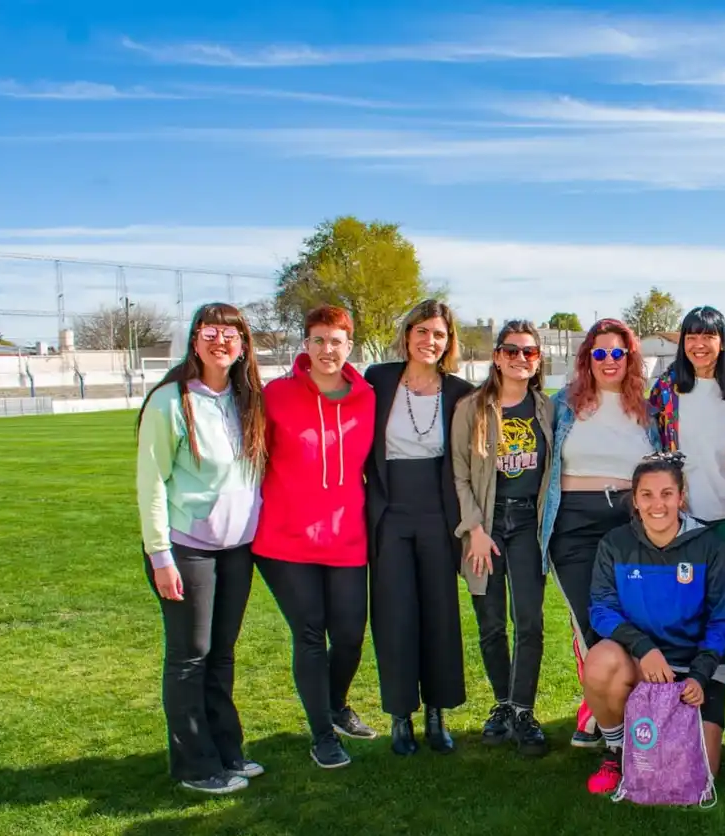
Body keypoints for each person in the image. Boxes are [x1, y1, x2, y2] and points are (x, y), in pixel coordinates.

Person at [135, 302, 267, 794]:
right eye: (210, 332)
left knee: (222, 654)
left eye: (231, 333)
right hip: (186, 548)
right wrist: (160, 555)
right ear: (194, 341)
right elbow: (151, 484)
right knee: (190, 656)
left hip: (237, 549)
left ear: (243, 345)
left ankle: (227, 750)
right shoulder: (171, 402)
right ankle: (195, 764)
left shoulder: (245, 398)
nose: (221, 341)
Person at [252, 305, 377, 770]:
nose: (328, 349)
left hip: (346, 537)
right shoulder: (276, 395)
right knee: (309, 633)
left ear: (350, 347)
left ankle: (337, 704)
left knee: (348, 634)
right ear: (306, 345)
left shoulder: (366, 397)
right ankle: (322, 735)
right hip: (284, 539)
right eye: (319, 340)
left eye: (337, 341)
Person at [579, 452, 725, 795]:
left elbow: (723, 620)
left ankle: (651, 745)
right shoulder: (616, 544)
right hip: (640, 664)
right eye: (646, 495)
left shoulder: (709, 547)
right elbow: (602, 609)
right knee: (600, 660)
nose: (657, 504)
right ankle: (617, 750)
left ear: (681, 497)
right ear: (634, 500)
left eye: (666, 494)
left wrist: (700, 672)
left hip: (695, 666)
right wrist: (643, 648)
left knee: (701, 775)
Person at [539, 319, 660, 748]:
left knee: (630, 620)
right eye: (600, 353)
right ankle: (603, 717)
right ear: (586, 359)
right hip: (574, 523)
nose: (609, 362)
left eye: (617, 353)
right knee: (590, 622)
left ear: (630, 358)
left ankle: (621, 706)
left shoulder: (646, 409)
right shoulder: (563, 405)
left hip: (630, 524)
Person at [364, 299, 474, 756]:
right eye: (422, 331)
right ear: (407, 334)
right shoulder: (378, 379)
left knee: (439, 615)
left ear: (449, 343)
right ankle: (400, 715)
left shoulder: (460, 391)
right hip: (390, 514)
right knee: (394, 616)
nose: (430, 341)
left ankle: (436, 712)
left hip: (438, 515)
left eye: (440, 334)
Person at [452, 320, 554, 757]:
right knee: (491, 623)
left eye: (529, 352)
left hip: (528, 525)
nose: (520, 359)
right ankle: (501, 704)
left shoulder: (547, 409)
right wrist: (474, 529)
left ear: (538, 360)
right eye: (511, 351)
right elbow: (458, 473)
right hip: (486, 527)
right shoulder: (471, 408)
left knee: (529, 622)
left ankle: (523, 710)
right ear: (496, 357)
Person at [647, 305, 725, 557]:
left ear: (723, 343)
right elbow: (653, 447)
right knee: (688, 592)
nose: (699, 344)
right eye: (692, 337)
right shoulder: (666, 390)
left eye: (708, 337)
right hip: (683, 514)